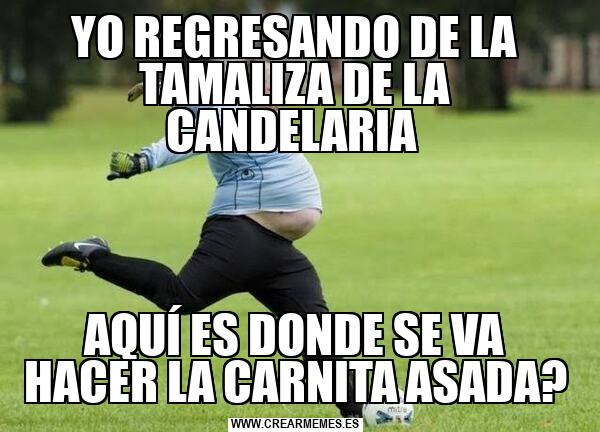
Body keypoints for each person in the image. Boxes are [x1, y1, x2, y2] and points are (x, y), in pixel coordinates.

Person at [41, 88, 362, 417]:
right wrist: (144, 160)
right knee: (178, 297)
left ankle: (357, 414)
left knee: (313, 330)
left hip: (277, 249)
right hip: (242, 231)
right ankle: (92, 255)